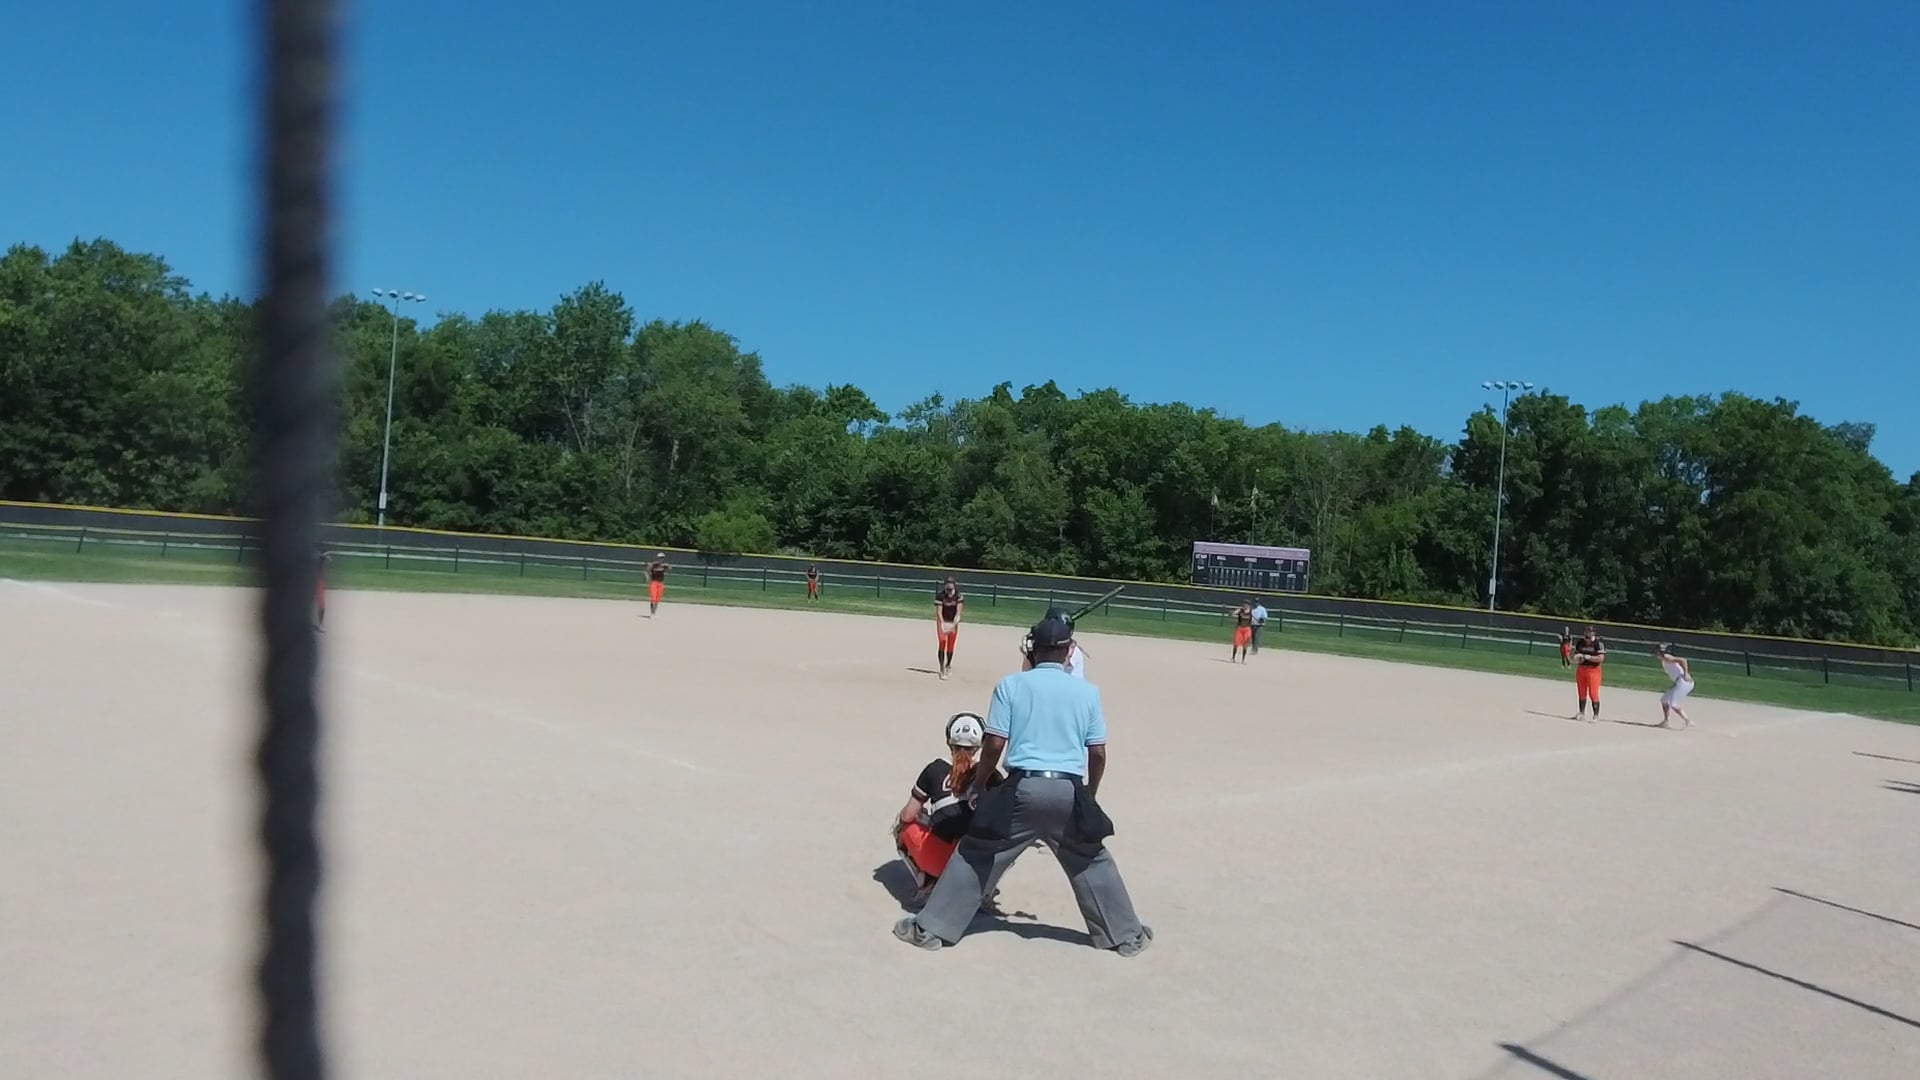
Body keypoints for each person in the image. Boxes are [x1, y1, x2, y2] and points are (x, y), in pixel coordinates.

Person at [893, 613, 1151, 956]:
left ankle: (930, 928)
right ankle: (1126, 935)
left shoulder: (1011, 685)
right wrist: (1089, 794)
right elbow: (1098, 753)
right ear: (1069, 650)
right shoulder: (1087, 692)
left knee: (977, 852)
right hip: (1068, 789)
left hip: (1022, 789)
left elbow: (995, 744)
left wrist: (979, 784)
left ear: (1033, 649)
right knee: (1091, 857)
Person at [891, 712, 1003, 906]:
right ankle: (985, 888)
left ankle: (927, 882)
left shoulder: (935, 769)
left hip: (940, 860)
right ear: (981, 744)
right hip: (977, 861)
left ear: (948, 740)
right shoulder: (993, 776)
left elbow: (907, 815)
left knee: (902, 825)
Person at [1656, 644, 1695, 729]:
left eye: (1658, 652)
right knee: (1664, 699)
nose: (1656, 654)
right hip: (1680, 683)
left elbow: (1683, 660)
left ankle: (1688, 721)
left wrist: (1686, 673)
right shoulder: (1664, 660)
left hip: (1684, 682)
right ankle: (1666, 722)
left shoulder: (1667, 657)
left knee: (1673, 704)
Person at [1572, 625, 1605, 721]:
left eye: (1590, 631)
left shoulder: (1598, 643)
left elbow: (1601, 658)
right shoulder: (1580, 642)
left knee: (1593, 693)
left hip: (1593, 670)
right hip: (1581, 669)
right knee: (1581, 692)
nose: (1588, 633)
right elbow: (1576, 655)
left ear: (1594, 633)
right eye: (1587, 631)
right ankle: (1581, 713)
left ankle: (1596, 715)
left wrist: (1589, 657)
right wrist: (1577, 658)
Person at [933, 576, 964, 679]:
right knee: (942, 642)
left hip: (952, 622)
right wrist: (942, 623)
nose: (949, 591)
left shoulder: (958, 596)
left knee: (951, 645)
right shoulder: (940, 596)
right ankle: (942, 669)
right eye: (947, 588)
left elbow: (959, 611)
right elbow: (939, 611)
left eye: (951, 588)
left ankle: (948, 665)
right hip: (942, 621)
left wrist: (955, 622)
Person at [313, 550, 332, 632]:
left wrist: (324, 556)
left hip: (315, 580)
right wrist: (324, 556)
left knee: (321, 604)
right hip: (314, 580)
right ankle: (320, 624)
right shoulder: (318, 557)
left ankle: (320, 624)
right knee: (321, 604)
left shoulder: (318, 557)